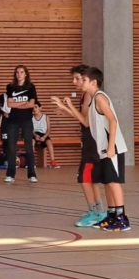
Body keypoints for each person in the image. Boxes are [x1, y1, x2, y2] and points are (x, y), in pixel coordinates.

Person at [56, 67, 130, 231]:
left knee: (113, 182)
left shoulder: (100, 98)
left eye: (83, 80)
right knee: (107, 182)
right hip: (102, 149)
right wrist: (68, 107)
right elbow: (86, 123)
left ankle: (122, 218)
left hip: (112, 148)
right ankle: (112, 215)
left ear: (93, 82)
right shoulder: (92, 100)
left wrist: (111, 147)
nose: (80, 82)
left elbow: (113, 121)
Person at [51, 65, 105, 227]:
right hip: (90, 140)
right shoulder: (86, 95)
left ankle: (95, 212)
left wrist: (67, 107)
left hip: (92, 142)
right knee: (90, 178)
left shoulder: (89, 96)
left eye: (77, 78)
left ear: (85, 79)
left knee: (85, 178)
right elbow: (83, 117)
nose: (74, 82)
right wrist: (66, 110)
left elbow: (86, 122)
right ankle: (98, 211)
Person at [4, 65, 38, 183]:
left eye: (21, 72)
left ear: (25, 74)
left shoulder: (31, 87)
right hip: (13, 121)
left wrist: (17, 104)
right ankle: (10, 174)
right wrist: (24, 103)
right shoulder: (10, 87)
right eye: (17, 72)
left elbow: (31, 104)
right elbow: (9, 104)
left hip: (27, 120)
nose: (19, 74)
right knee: (11, 147)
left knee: (29, 147)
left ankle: (32, 174)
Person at [32, 101, 60, 168]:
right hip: (35, 134)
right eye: (33, 108)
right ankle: (31, 162)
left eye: (36, 107)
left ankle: (52, 162)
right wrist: (35, 135)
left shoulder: (46, 117)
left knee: (49, 142)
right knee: (31, 142)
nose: (34, 109)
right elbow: (31, 130)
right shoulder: (31, 118)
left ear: (40, 108)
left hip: (44, 135)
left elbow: (49, 129)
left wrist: (44, 137)